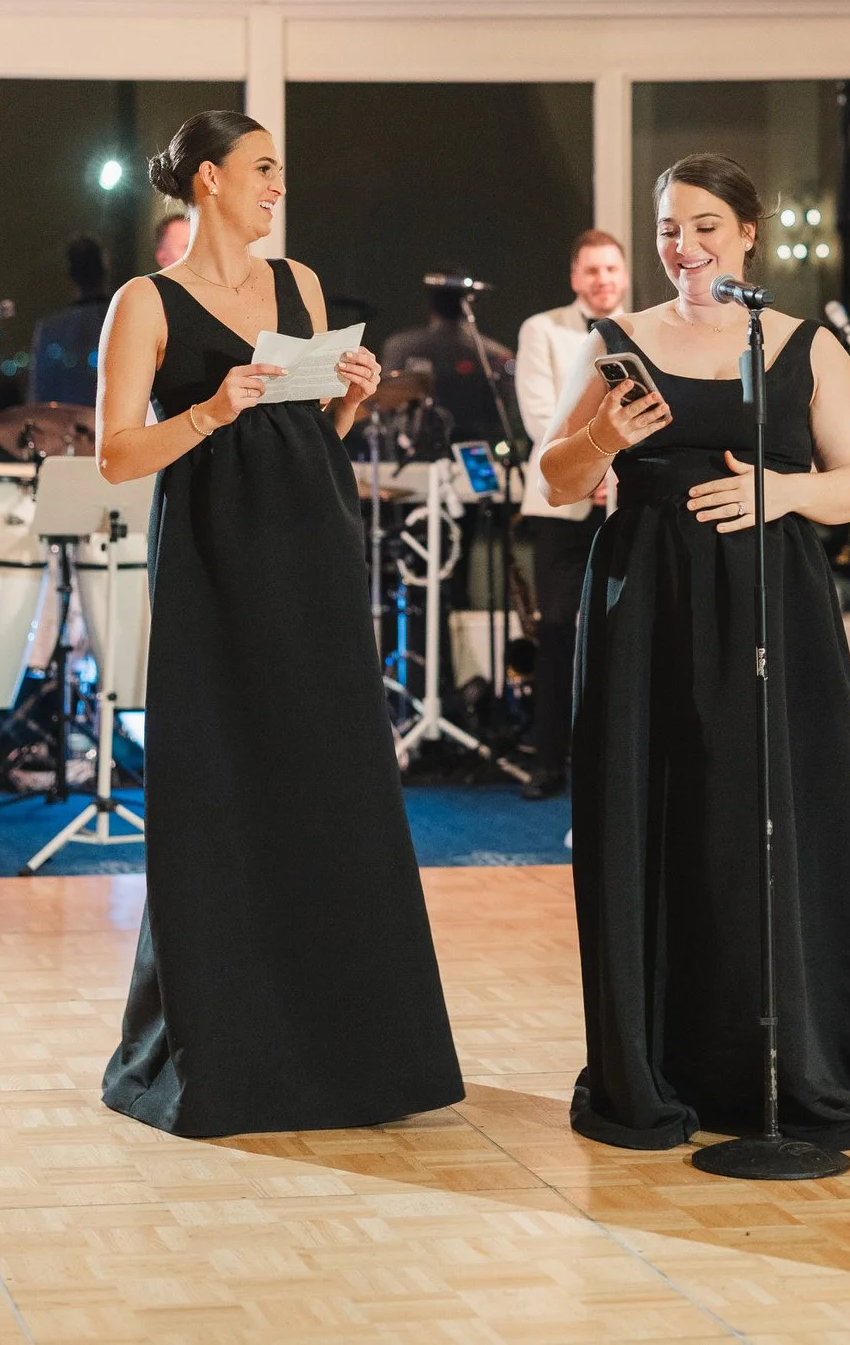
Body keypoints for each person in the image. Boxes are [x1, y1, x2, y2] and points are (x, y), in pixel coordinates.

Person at [539, 152, 850, 1154]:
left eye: (705, 225)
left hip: (770, 606)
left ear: (749, 233)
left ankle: (787, 1055)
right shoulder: (616, 340)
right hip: (643, 610)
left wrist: (779, 491)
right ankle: (653, 1055)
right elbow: (554, 479)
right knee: (651, 817)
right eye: (669, 227)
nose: (684, 246)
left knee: (765, 823)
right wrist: (604, 441)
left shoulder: (802, 346)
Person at [95, 109, 462, 1139]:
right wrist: (212, 408)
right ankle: (230, 1039)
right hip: (214, 559)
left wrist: (347, 399)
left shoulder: (297, 283)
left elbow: (312, 430)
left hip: (314, 542)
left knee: (328, 780)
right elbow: (119, 454)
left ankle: (351, 1039)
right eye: (262, 169)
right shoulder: (146, 301)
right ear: (207, 178)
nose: (277, 186)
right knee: (224, 782)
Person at [513, 229, 628, 801]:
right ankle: (548, 761)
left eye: (611, 269)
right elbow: (541, 419)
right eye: (592, 271)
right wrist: (592, 468)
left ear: (624, 275)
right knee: (557, 631)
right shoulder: (542, 329)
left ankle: (614, 765)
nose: (603, 280)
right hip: (560, 501)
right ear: (575, 278)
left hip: (624, 501)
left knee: (622, 634)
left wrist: (617, 475)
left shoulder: (646, 327)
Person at [383, 280, 516, 444]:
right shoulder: (498, 354)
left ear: (429, 305)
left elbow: (384, 405)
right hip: (479, 447)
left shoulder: (400, 346)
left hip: (417, 444)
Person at [29, 234, 111, 406]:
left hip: (66, 428)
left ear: (70, 273)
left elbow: (39, 397)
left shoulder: (50, 329)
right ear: (104, 268)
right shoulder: (123, 322)